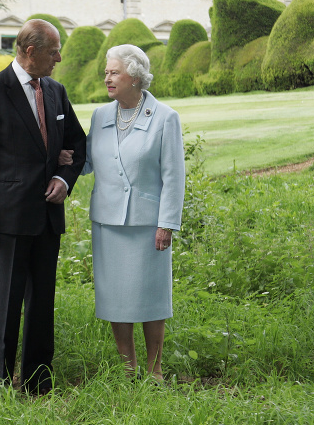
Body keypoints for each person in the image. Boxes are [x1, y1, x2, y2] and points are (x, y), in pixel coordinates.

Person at [0, 19, 87, 394]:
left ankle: (37, 382)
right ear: (30, 52)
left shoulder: (55, 90)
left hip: (48, 218)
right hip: (6, 218)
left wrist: (63, 177)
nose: (59, 58)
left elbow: (76, 146)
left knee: (42, 303)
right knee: (5, 303)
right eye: (53, 52)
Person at [72, 44, 185, 381]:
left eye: (113, 72)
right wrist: (65, 159)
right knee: (115, 298)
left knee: (151, 297)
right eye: (107, 71)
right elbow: (89, 163)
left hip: (147, 224)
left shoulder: (165, 117)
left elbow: (173, 175)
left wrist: (167, 223)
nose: (107, 77)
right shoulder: (101, 115)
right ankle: (127, 368)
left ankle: (155, 369)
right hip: (108, 223)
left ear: (135, 77)